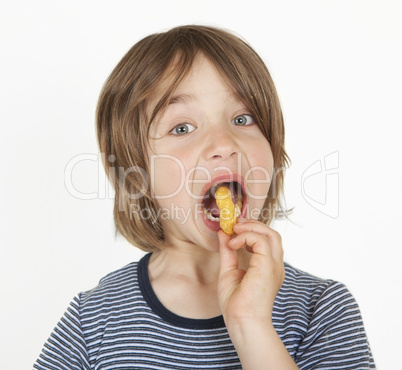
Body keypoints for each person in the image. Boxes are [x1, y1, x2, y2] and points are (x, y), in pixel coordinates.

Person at [33, 25, 375, 369]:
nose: (224, 144)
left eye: (243, 118)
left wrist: (251, 325)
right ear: (137, 174)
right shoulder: (93, 320)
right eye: (182, 128)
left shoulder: (320, 309)